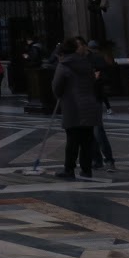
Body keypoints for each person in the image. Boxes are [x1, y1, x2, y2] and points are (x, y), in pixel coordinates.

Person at [51, 37, 102, 181]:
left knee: (72, 140)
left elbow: (56, 87)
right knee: (87, 140)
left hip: (72, 106)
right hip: (89, 104)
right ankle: (86, 169)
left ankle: (69, 169)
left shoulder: (64, 65)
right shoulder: (86, 63)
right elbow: (92, 80)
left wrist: (60, 94)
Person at [83, 39, 117, 173]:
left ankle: (109, 160)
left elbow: (105, 76)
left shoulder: (97, 58)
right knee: (89, 132)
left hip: (95, 97)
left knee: (98, 131)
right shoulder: (79, 61)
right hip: (83, 99)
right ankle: (96, 160)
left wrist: (95, 78)